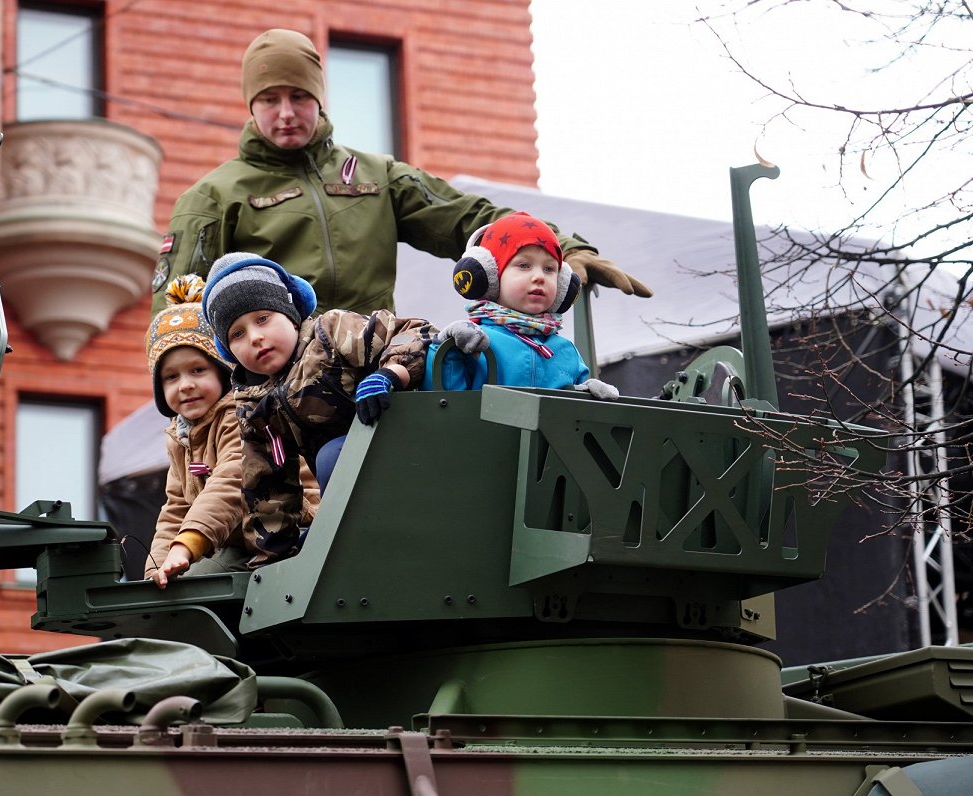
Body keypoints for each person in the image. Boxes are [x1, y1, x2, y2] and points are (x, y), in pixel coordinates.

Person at [151, 27, 651, 318]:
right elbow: (177, 317)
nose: (286, 112)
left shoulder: (375, 175)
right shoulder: (213, 197)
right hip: (272, 387)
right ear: (250, 105)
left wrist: (561, 246)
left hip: (374, 368)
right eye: (270, 99)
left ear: (320, 99)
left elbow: (468, 218)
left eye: (299, 96)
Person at [200, 251, 446, 567]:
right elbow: (269, 484)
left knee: (332, 455)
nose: (256, 337)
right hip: (349, 488)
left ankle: (362, 550)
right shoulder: (254, 404)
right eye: (237, 333)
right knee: (305, 546)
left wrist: (389, 375)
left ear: (289, 313)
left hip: (410, 449)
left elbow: (416, 332)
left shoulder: (330, 333)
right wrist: (271, 560)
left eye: (263, 319)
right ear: (228, 349)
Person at [424, 211, 618, 399]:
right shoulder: (471, 339)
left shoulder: (566, 350)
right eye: (524, 265)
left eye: (549, 269)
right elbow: (444, 401)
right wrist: (445, 348)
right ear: (490, 277)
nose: (539, 277)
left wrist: (586, 393)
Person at [142, 275, 247, 588]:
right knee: (163, 594)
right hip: (226, 540)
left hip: (278, 531)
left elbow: (233, 479)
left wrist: (187, 544)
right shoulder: (181, 438)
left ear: (222, 372)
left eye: (198, 370)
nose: (185, 385)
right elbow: (176, 510)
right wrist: (156, 571)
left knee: (191, 589)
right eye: (171, 377)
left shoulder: (240, 415)